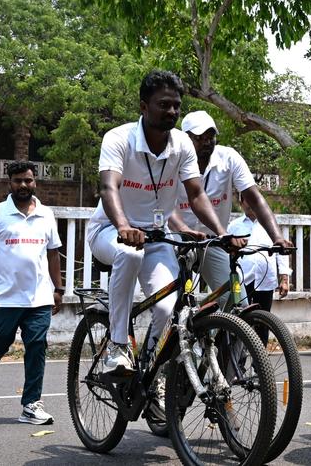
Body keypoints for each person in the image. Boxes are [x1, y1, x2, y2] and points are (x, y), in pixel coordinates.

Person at [85, 71, 243, 376]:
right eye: (164, 105)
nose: (171, 112)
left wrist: (222, 233)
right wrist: (122, 227)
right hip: (109, 231)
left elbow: (196, 194)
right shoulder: (119, 139)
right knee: (129, 253)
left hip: (156, 237)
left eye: (176, 106)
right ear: (144, 107)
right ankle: (117, 346)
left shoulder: (182, 144)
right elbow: (109, 188)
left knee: (168, 309)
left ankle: (151, 373)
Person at [0, 161, 63, 424]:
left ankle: (31, 404)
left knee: (37, 346)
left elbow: (53, 253)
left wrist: (58, 287)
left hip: (38, 296)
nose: (23, 185)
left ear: (35, 182)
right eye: (18, 181)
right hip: (5, 296)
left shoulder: (46, 214)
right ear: (10, 183)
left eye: (27, 180)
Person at [171, 110, 289, 300]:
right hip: (175, 239)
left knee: (236, 301)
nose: (207, 142)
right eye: (200, 138)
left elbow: (256, 199)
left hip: (213, 241)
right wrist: (183, 229)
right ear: (186, 138)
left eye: (211, 137)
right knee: (169, 305)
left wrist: (277, 238)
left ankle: (215, 327)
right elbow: (164, 205)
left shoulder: (229, 158)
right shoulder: (172, 159)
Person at [225, 192, 291, 311]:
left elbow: (280, 253)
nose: (250, 203)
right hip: (241, 280)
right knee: (241, 319)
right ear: (241, 203)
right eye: (247, 200)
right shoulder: (233, 226)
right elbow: (226, 254)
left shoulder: (270, 225)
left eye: (253, 199)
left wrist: (284, 280)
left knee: (264, 321)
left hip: (265, 279)